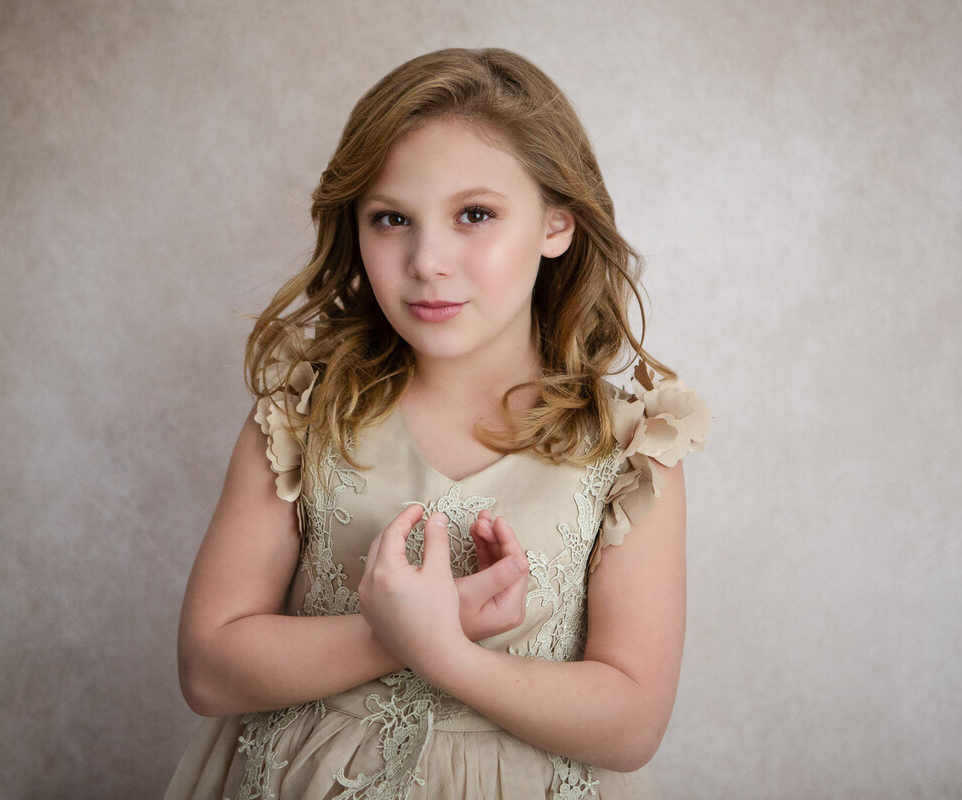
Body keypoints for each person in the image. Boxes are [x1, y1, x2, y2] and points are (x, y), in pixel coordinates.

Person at [165, 48, 711, 800]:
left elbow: (631, 723)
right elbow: (208, 665)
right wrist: (393, 631)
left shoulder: (627, 451)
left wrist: (446, 652)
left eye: (475, 215)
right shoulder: (305, 419)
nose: (427, 260)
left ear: (557, 223)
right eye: (392, 219)